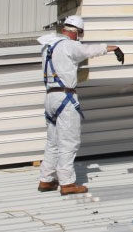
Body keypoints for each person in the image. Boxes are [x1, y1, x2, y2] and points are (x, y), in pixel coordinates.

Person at [37, 15, 124, 195]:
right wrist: (112, 48)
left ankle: (46, 179)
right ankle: (67, 183)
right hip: (65, 98)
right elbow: (87, 51)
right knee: (69, 142)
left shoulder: (48, 47)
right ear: (77, 32)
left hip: (50, 98)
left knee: (52, 141)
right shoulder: (70, 45)